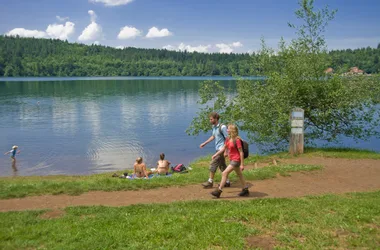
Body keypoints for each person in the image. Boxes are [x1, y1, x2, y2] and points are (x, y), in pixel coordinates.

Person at [210, 124, 249, 198]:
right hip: (232, 159)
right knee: (239, 174)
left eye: (228, 129)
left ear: (232, 130)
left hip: (236, 160)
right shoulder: (228, 139)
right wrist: (216, 154)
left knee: (224, 173)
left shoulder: (237, 140)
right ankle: (245, 189)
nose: (227, 130)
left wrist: (242, 164)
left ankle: (219, 191)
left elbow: (241, 152)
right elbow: (223, 148)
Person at [200, 112, 230, 188]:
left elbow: (228, 139)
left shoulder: (222, 127)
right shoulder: (214, 127)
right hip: (218, 149)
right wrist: (205, 143)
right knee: (222, 165)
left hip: (222, 149)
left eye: (211, 119)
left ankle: (210, 182)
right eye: (210, 119)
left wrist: (226, 151)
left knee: (213, 164)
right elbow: (213, 136)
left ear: (216, 119)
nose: (210, 120)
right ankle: (227, 182)